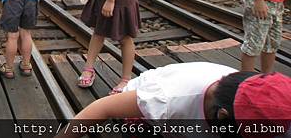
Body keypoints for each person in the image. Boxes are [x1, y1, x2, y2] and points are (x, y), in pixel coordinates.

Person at [58, 64, 291, 138]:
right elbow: (100, 109)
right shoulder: (168, 98)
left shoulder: (267, 99)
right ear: (223, 115)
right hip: (145, 119)